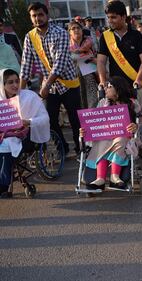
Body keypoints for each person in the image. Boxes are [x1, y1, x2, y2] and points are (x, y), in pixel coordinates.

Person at [20, 2, 82, 156]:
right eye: (34, 16)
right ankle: (63, 150)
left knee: (75, 120)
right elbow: (26, 64)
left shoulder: (60, 33)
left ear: (47, 15)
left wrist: (46, 85)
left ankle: (81, 150)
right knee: (49, 119)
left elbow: (59, 62)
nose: (37, 19)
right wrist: (19, 93)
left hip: (68, 84)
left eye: (40, 15)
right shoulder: (30, 37)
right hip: (50, 87)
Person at [81, 76, 139, 191]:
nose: (106, 89)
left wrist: (135, 126)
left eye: (109, 87)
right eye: (106, 86)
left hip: (125, 137)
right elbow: (94, 121)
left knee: (120, 139)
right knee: (102, 141)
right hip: (105, 137)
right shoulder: (103, 103)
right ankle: (100, 178)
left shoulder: (132, 104)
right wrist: (85, 130)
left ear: (118, 90)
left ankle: (114, 176)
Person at [0, 69, 50, 197]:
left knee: (6, 146)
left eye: (17, 81)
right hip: (4, 135)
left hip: (26, 136)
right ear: (2, 85)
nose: (15, 85)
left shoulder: (29, 97)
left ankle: (3, 185)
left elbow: (44, 118)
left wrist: (29, 121)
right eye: (10, 82)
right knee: (5, 143)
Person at [97, 0, 142, 116]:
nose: (110, 21)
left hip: (136, 84)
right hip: (115, 87)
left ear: (123, 17)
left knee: (141, 119)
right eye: (108, 17)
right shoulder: (105, 37)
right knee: (116, 121)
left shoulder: (137, 36)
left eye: (113, 17)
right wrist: (102, 81)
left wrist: (139, 79)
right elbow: (101, 61)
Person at [68, 21, 98, 109]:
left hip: (90, 74)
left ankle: (93, 118)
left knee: (92, 98)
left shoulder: (89, 42)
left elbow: (97, 57)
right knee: (79, 99)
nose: (76, 30)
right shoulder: (66, 46)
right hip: (74, 77)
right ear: (69, 32)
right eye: (73, 28)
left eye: (78, 28)